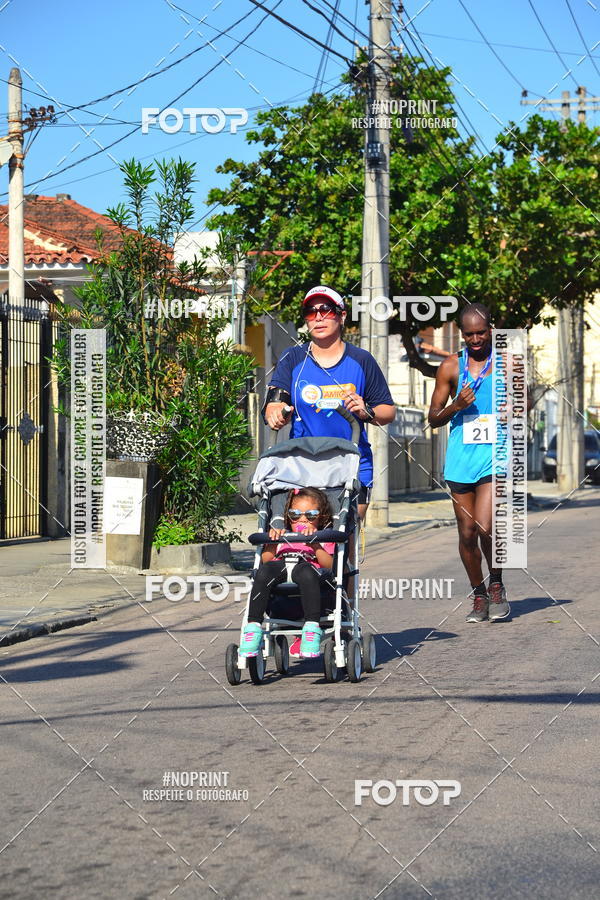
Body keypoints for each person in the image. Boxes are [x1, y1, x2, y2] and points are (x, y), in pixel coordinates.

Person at [263, 285, 396, 521]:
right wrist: (275, 411)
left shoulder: (361, 360)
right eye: (311, 312)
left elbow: (388, 411)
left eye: (327, 310)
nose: (319, 318)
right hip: (303, 466)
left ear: (342, 315)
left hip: (351, 465)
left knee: (344, 536)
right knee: (305, 535)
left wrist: (367, 411)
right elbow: (275, 400)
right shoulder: (293, 358)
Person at [428, 303, 511, 623]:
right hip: (460, 460)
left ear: (491, 330)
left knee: (485, 526)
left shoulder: (507, 364)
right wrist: (456, 406)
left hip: (495, 457)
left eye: (481, 332)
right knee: (466, 534)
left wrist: (515, 408)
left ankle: (497, 586)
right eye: (469, 334)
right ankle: (478, 594)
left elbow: (527, 399)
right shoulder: (450, 367)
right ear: (461, 334)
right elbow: (433, 418)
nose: (476, 339)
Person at [240, 487, 336, 659]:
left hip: (307, 565)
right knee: (262, 572)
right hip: (281, 565)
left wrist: (314, 543)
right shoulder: (284, 534)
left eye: (311, 515)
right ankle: (253, 627)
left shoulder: (324, 537)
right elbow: (267, 559)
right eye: (295, 514)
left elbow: (328, 565)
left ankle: (311, 628)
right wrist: (272, 541)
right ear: (288, 517)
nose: (303, 519)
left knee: (308, 573)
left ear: (321, 518)